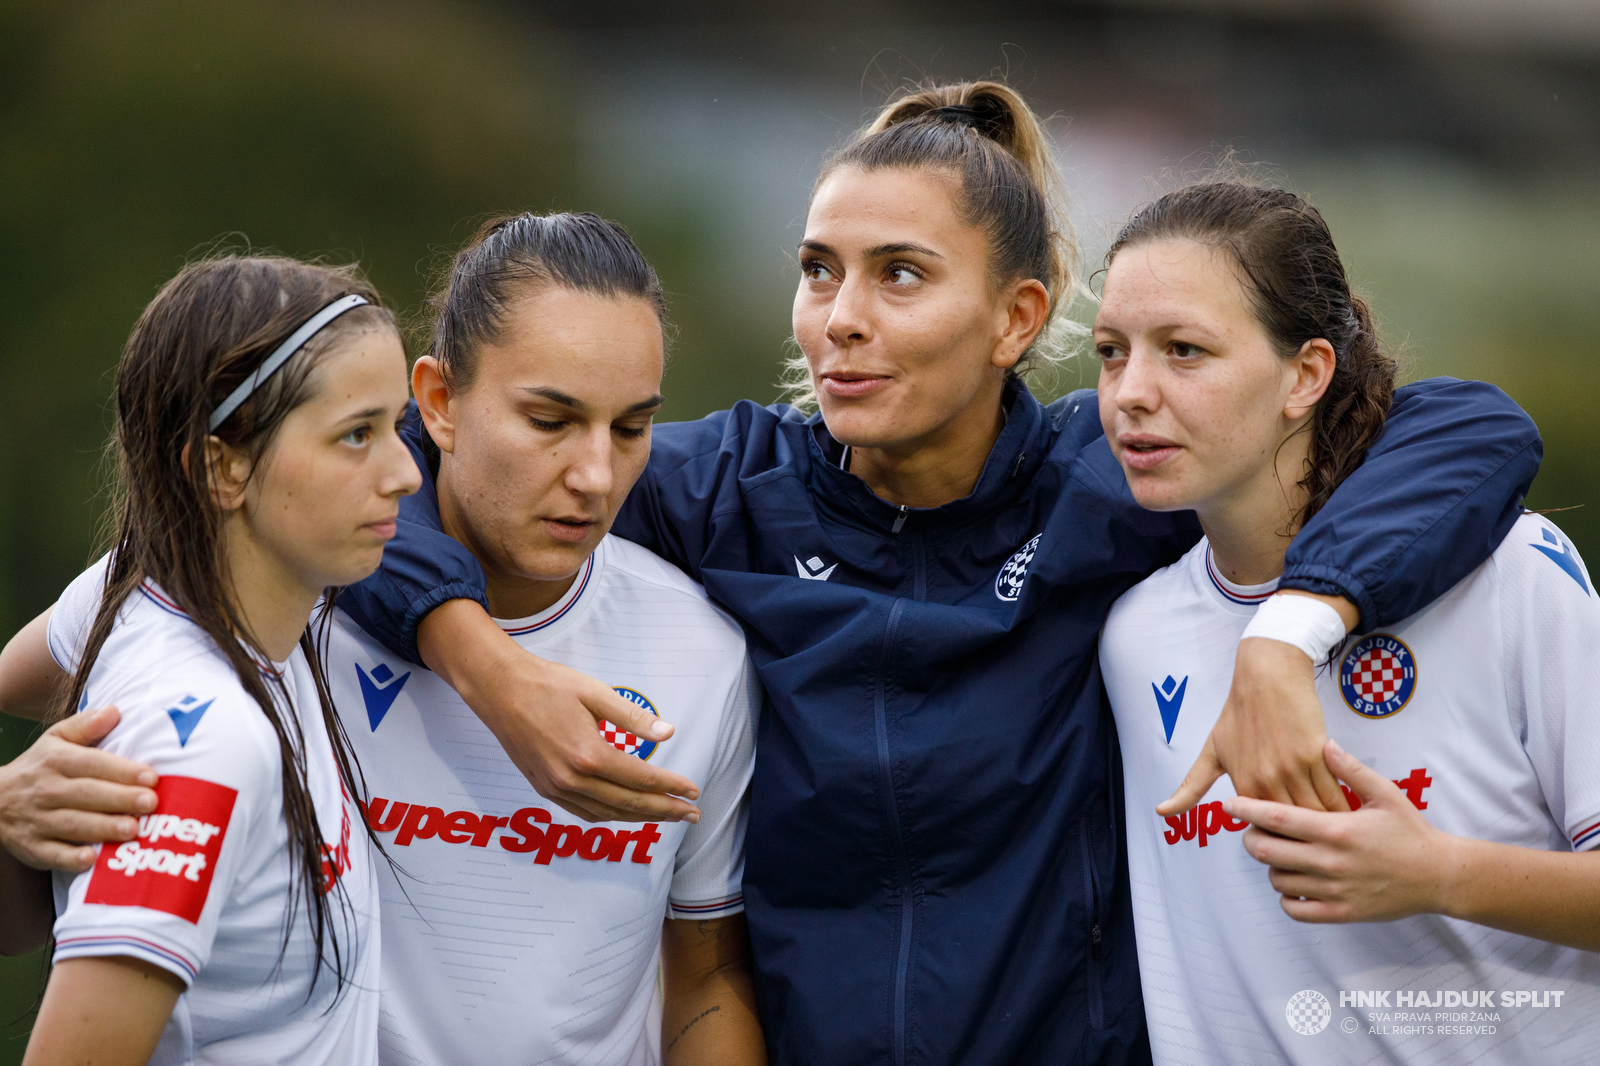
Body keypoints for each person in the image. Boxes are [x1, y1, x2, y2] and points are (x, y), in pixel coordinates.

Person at [1, 83, 1542, 1064]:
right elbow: (390, 469)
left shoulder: (1115, 478)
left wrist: (1289, 631)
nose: (839, 319)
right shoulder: (710, 482)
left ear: (1018, 319)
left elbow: (1463, 430)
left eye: (899, 276)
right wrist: (491, 661)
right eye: (818, 270)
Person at [6, 215, 767, 1065]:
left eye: (631, 430)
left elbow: (706, 973)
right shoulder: (251, 598)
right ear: (438, 404)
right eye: (549, 420)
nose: (596, 475)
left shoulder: (702, 652)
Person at [1096, 181, 1599, 1065]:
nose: (1132, 392)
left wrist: (1439, 873)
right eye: (1110, 352)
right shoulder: (1133, 634)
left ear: (1306, 375)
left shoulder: (1512, 573)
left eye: (1184, 350)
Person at [0, 255, 420, 1065]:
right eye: (356, 435)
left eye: (396, 428)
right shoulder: (208, 737)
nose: (404, 474)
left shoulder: (129, 581)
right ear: (222, 466)